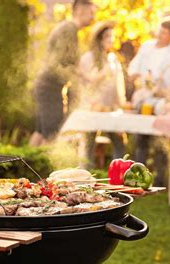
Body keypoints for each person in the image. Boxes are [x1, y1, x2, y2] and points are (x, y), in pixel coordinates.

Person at [31, 0, 96, 146]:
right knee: (52, 135)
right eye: (91, 13)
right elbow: (59, 62)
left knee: (41, 132)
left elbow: (66, 61)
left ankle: (25, 166)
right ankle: (44, 167)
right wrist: (84, 77)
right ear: (80, 10)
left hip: (46, 86)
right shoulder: (69, 29)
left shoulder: (68, 29)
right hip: (50, 87)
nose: (93, 17)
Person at [127, 17, 170, 186]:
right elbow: (134, 69)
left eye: (165, 33)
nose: (160, 35)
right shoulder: (147, 47)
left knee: (160, 139)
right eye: (160, 30)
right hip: (144, 97)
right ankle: (137, 178)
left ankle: (159, 180)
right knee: (141, 138)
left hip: (162, 100)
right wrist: (139, 77)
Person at [79, 21, 126, 167]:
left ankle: (118, 176)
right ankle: (85, 177)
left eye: (112, 37)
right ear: (98, 39)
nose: (111, 40)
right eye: (107, 37)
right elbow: (87, 81)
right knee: (89, 144)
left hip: (110, 109)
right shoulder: (88, 57)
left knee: (119, 142)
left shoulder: (113, 58)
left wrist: (121, 105)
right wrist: (103, 73)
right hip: (91, 108)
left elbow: (118, 86)